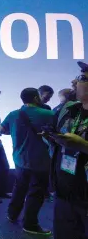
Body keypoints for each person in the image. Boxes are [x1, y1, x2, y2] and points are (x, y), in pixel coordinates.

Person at [0, 88, 54, 235]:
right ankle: (30, 224)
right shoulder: (48, 114)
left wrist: (17, 131)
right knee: (36, 191)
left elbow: (1, 130)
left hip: (19, 159)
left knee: (19, 186)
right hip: (41, 160)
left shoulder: (13, 114)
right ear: (36, 98)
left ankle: (12, 214)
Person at [46, 61, 88, 239]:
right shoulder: (69, 109)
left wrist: (84, 146)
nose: (73, 81)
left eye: (82, 78)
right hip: (64, 189)